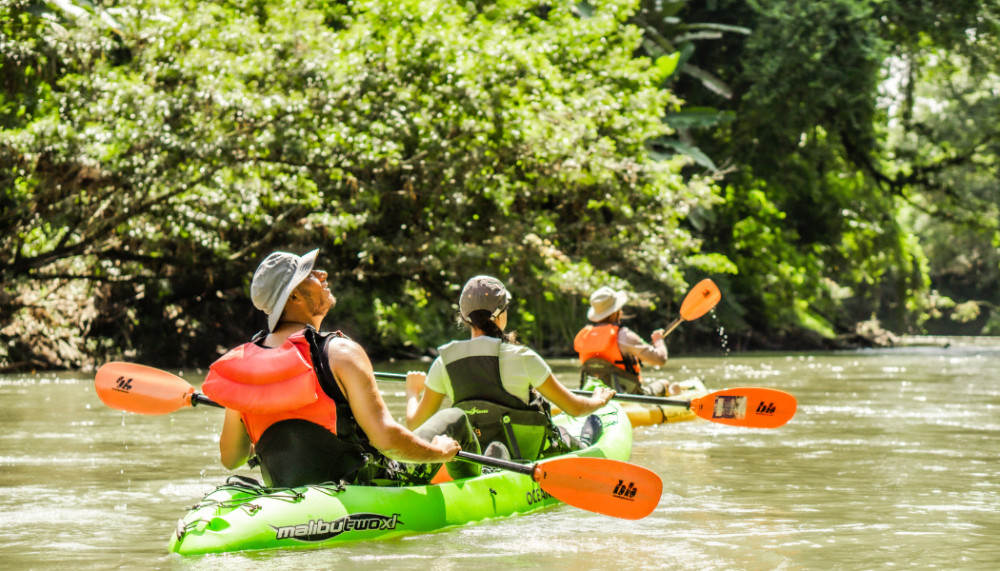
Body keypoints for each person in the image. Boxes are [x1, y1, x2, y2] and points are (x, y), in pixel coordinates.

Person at [201, 249, 481, 488]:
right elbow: (387, 441)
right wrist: (439, 453)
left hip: (287, 490)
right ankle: (479, 489)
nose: (322, 274)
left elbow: (231, 458)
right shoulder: (341, 353)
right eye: (310, 273)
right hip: (364, 485)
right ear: (295, 297)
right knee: (456, 418)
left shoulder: (241, 364)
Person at [405, 275, 615, 461]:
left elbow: (415, 425)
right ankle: (585, 443)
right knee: (580, 428)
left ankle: (490, 460)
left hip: (474, 452)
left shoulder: (443, 362)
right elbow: (575, 408)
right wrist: (599, 399)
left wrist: (413, 391)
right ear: (500, 315)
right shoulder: (523, 357)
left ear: (463, 316)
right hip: (525, 454)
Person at [574, 285, 680, 396]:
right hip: (628, 396)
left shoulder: (585, 335)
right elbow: (660, 359)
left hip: (591, 394)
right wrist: (658, 340)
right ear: (616, 312)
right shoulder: (624, 336)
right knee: (665, 383)